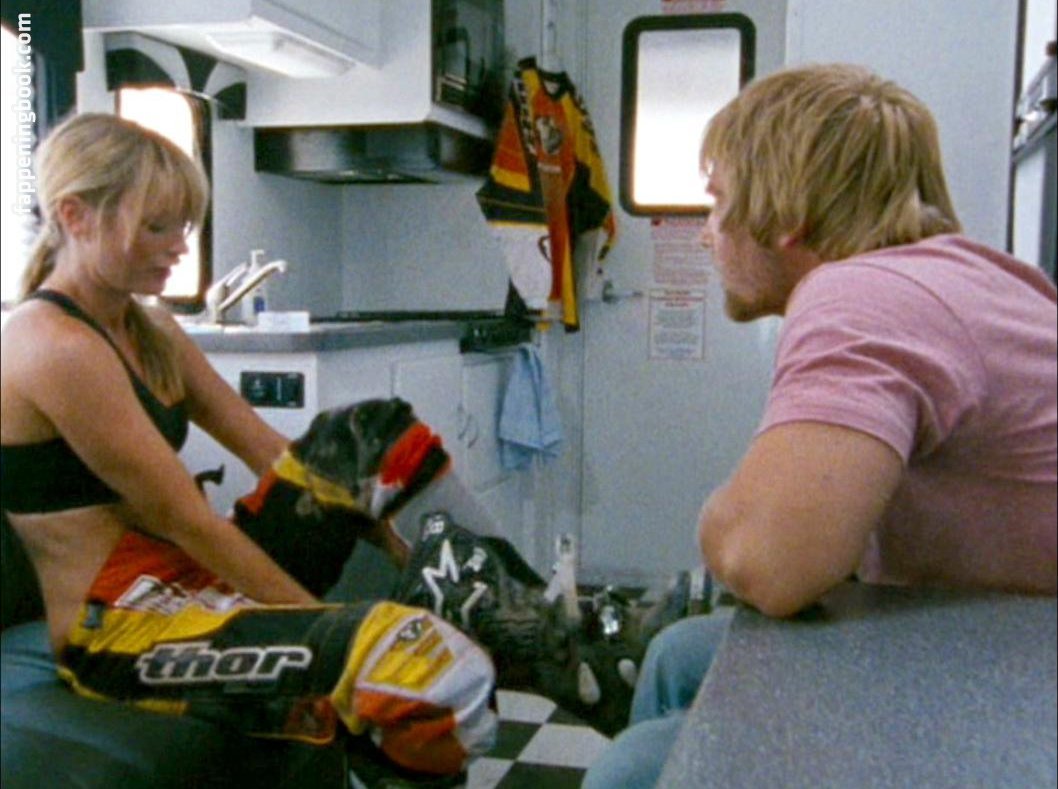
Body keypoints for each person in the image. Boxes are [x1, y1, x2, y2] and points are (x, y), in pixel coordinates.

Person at [583, 62, 1057, 788]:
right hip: (995, 623)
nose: (707, 234)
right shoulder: (975, 275)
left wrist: (724, 517)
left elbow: (768, 564)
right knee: (679, 655)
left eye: (717, 202)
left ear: (785, 215)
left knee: (628, 770)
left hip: (1020, 669)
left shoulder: (858, 296)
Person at [0, 113, 496, 777]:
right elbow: (189, 522)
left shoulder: (153, 329)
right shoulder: (51, 344)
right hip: (118, 626)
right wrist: (331, 628)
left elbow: (271, 452)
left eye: (184, 226)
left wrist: (399, 544)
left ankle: (511, 610)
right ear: (75, 216)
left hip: (191, 579)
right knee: (411, 668)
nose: (179, 246)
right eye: (157, 227)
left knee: (370, 436)